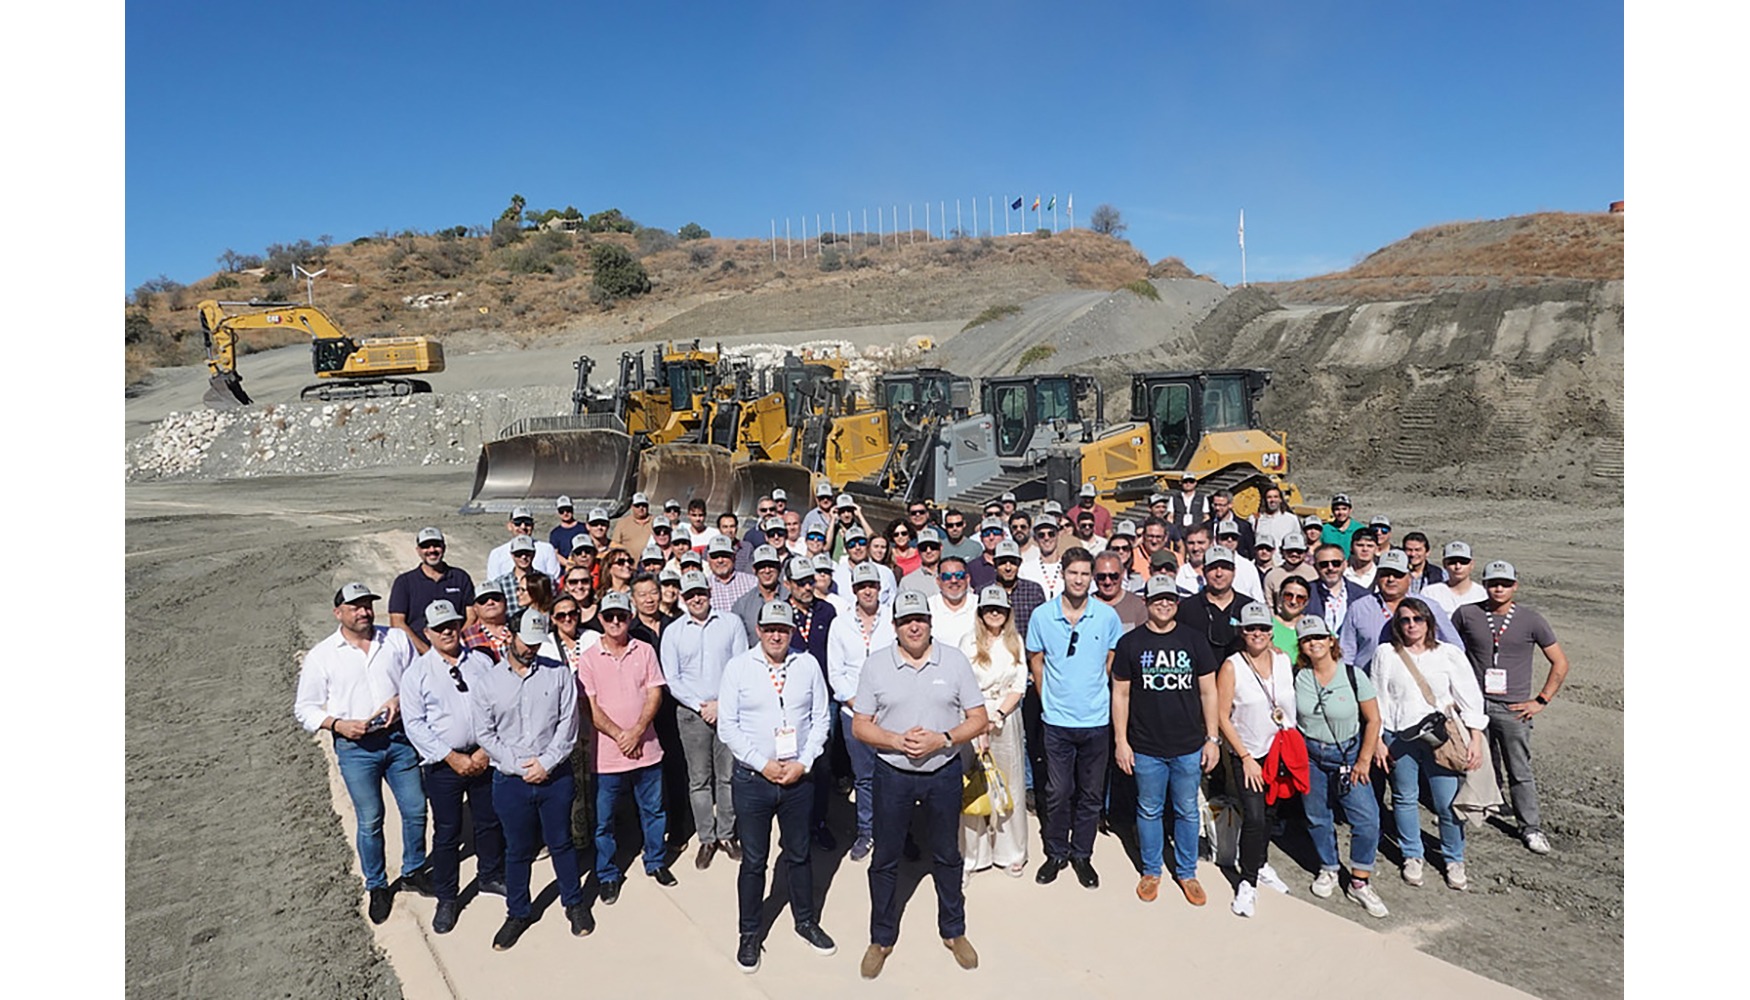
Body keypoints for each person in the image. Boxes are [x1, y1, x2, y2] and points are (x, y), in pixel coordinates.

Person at [851, 590, 990, 979]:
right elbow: (860, 724)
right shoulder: (876, 665)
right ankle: (881, 937)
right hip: (892, 774)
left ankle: (953, 930)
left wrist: (943, 739)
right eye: (906, 620)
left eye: (921, 619)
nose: (915, 626)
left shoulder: (955, 661)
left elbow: (978, 717)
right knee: (885, 859)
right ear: (894, 626)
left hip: (943, 771)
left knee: (947, 855)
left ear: (930, 622)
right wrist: (896, 740)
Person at [294, 582, 429, 924]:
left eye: (367, 604)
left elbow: (417, 680)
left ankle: (413, 869)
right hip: (356, 748)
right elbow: (305, 708)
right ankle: (378, 885)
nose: (364, 611)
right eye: (355, 606)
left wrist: (400, 701)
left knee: (415, 809)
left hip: (399, 740)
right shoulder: (322, 655)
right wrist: (337, 725)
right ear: (338, 612)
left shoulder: (395, 639)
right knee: (370, 820)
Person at [719, 600, 837, 972]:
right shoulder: (739, 668)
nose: (776, 635)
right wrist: (763, 763)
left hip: (797, 780)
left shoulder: (807, 665)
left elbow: (821, 719)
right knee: (754, 860)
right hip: (753, 780)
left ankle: (805, 921)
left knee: (799, 854)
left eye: (782, 629)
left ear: (791, 632)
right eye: (769, 628)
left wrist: (803, 762)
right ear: (758, 630)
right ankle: (749, 932)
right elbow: (729, 726)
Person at [471, 609, 592, 948]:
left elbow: (567, 729)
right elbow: (486, 734)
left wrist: (546, 764)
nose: (532, 649)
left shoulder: (559, 676)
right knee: (518, 849)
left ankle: (574, 902)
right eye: (526, 642)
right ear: (510, 635)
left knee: (561, 843)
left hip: (555, 776)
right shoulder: (488, 683)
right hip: (511, 780)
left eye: (538, 643)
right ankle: (518, 912)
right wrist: (519, 766)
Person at [1111, 576, 1220, 905]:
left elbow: (1208, 691)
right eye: (1157, 598)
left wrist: (1212, 738)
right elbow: (1120, 694)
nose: (1164, 603)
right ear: (1146, 602)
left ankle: (1187, 872)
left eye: (1169, 598)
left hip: (1188, 745)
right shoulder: (1131, 643)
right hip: (1145, 746)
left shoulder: (1195, 640)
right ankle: (1151, 870)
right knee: (1148, 810)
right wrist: (1121, 741)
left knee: (1187, 810)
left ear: (1177, 602)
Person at [1451, 561, 1570, 856]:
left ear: (1515, 585)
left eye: (1505, 583)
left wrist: (1540, 700)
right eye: (1493, 583)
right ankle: (1483, 806)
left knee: (1519, 769)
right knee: (1477, 761)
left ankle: (1530, 827)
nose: (1498, 588)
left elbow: (1561, 662)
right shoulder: (1467, 614)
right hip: (1475, 705)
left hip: (1514, 708)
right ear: (1485, 584)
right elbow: (1449, 652)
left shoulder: (1532, 620)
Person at [1370, 596, 1488, 891]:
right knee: (1404, 797)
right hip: (1399, 736)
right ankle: (1412, 855)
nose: (1412, 625)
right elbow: (1378, 699)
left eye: (1418, 619)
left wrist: (1475, 738)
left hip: (1440, 736)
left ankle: (1453, 858)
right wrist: (1378, 741)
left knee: (1446, 803)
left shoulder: (1448, 654)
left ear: (1429, 622)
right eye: (1405, 620)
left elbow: (1469, 696)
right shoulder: (1386, 653)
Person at [400, 599, 504, 933]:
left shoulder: (482, 662)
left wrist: (486, 750)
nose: (448, 631)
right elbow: (415, 724)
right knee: (447, 832)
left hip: (483, 755)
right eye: (440, 627)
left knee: (489, 822)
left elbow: (498, 706)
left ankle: (490, 875)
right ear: (427, 632)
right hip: (444, 764)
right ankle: (447, 896)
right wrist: (451, 756)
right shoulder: (416, 673)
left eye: (452, 625)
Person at [1027, 547, 1123, 890]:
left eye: (1086, 574)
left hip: (1095, 720)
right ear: (1062, 575)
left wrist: (1095, 686)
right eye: (1073, 573)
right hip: (1056, 720)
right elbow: (1035, 659)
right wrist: (1047, 696)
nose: (1080, 580)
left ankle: (1082, 853)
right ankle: (1056, 852)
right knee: (1057, 790)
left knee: (1091, 793)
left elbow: (1112, 656)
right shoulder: (1042, 616)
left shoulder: (1106, 616)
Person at [576, 591, 675, 903]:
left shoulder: (644, 650)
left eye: (621, 615)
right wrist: (621, 735)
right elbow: (587, 705)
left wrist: (637, 731)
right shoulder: (589, 657)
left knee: (654, 810)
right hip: (607, 758)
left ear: (629, 617)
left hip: (646, 749)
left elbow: (654, 692)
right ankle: (607, 874)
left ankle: (656, 861)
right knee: (604, 821)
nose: (616, 621)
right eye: (609, 616)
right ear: (601, 619)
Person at [1292, 616, 1389, 918]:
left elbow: (1373, 720)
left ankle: (1359, 880)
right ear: (1302, 646)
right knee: (1317, 815)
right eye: (1308, 639)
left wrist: (1364, 759)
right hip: (1309, 755)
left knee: (1367, 819)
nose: (1314, 643)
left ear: (1331, 640)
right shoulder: (1298, 676)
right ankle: (1329, 867)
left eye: (1319, 637)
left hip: (1348, 755)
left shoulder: (1352, 674)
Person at [660, 570, 750, 870]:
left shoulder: (731, 623)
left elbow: (740, 667)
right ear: (683, 599)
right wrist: (702, 706)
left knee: (727, 777)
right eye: (689, 595)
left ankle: (727, 835)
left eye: (700, 592)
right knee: (699, 780)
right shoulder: (673, 631)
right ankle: (706, 837)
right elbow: (671, 678)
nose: (696, 598)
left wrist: (721, 705)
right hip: (691, 714)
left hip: (727, 710)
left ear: (709, 592)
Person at [1214, 602, 1299, 917]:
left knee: (1271, 811)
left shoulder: (1282, 660)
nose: (1257, 634)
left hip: (1280, 749)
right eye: (1250, 628)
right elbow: (1223, 716)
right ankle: (1247, 882)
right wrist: (1246, 757)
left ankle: (1260, 863)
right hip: (1249, 751)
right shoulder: (1232, 666)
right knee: (1254, 816)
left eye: (1263, 628)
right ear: (1242, 631)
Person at [958, 586, 1029, 881]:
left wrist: (997, 716)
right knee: (973, 785)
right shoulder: (967, 642)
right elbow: (961, 683)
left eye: (999, 608)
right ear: (980, 612)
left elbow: (1019, 684)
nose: (994, 613)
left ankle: (1011, 852)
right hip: (972, 715)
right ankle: (972, 855)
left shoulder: (1014, 642)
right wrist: (979, 724)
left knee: (1009, 783)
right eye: (989, 608)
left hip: (1006, 716)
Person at [825, 563, 896, 860]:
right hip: (854, 715)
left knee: (895, 777)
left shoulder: (894, 619)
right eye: (862, 586)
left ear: (880, 588)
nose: (868, 590)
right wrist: (860, 706)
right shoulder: (840, 624)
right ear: (854, 590)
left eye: (873, 585)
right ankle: (867, 831)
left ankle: (896, 833)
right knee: (864, 778)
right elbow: (836, 674)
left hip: (892, 714)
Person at [1340, 549, 1463, 670]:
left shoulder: (1430, 607)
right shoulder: (1358, 608)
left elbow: (1455, 648)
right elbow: (1346, 652)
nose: (1391, 579)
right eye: (1385, 574)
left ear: (1409, 578)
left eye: (1398, 574)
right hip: (1369, 682)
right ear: (1377, 577)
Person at [389, 527, 475, 653]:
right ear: (418, 550)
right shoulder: (404, 582)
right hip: (417, 654)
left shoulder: (460, 578)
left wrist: (455, 644)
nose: (432, 550)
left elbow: (472, 616)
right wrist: (427, 652)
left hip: (457, 651)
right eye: (426, 546)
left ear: (444, 547)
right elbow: (397, 622)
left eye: (436, 545)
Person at [1305, 543, 1371, 634]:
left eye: (1336, 563)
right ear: (1316, 567)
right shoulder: (1305, 593)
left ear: (1345, 564)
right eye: (1324, 564)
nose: (1330, 568)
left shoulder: (1363, 596)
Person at [486, 506, 563, 583]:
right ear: (509, 526)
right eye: (518, 523)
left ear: (532, 525)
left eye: (527, 523)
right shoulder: (497, 554)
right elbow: (493, 584)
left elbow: (555, 581)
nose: (523, 527)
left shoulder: (547, 549)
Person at [733, 545, 790, 646]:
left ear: (780, 568)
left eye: (771, 565)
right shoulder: (742, 605)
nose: (767, 570)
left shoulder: (790, 598)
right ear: (754, 570)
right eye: (762, 566)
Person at [834, 526, 897, 606]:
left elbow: (893, 600)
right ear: (846, 548)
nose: (858, 547)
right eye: (852, 544)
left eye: (862, 543)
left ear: (868, 545)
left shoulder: (886, 572)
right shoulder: (836, 574)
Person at [1422, 541, 1487, 614]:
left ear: (1471, 564)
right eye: (1452, 562)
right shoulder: (1430, 593)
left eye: (1463, 562)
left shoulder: (1483, 594)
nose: (1458, 567)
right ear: (1444, 564)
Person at [926, 555, 977, 649]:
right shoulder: (928, 607)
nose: (953, 580)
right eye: (947, 577)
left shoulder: (979, 605)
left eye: (959, 575)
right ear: (938, 581)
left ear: (968, 579)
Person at [1264, 531, 1318, 613]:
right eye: (1290, 551)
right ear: (1282, 551)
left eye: (1299, 551)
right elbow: (1269, 606)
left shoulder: (1314, 574)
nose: (1294, 554)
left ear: (1305, 552)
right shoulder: (1272, 575)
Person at [461, 580, 513, 661]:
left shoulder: (520, 629)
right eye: (483, 600)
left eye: (496, 598)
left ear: (505, 602)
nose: (490, 602)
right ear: (475, 608)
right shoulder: (464, 637)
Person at [1093, 551, 1146, 629]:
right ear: (1094, 576)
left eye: (1114, 576)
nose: (1108, 582)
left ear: (1122, 574)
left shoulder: (1137, 605)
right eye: (1101, 576)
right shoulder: (1085, 605)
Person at [706, 535, 756, 612]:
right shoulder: (704, 587)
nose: (720, 560)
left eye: (725, 555)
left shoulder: (752, 582)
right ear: (708, 559)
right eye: (715, 556)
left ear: (734, 556)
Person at [1250, 485, 1301, 555]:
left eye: (1275, 497)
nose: (1272, 500)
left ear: (1280, 499)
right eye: (1269, 497)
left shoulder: (1291, 519)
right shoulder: (1254, 519)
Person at [1271, 577, 1314, 656]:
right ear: (1280, 596)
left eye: (1300, 598)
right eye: (1288, 596)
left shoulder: (1314, 625)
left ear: (1307, 602)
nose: (1293, 601)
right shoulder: (1268, 626)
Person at [900, 526, 944, 597]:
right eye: (923, 547)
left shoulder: (954, 575)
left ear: (941, 547)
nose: (928, 551)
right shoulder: (907, 582)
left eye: (933, 546)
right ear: (918, 550)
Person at [549, 495, 588, 563]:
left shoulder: (584, 528)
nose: (565, 513)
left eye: (568, 510)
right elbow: (555, 554)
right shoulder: (555, 533)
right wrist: (568, 563)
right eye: (562, 511)